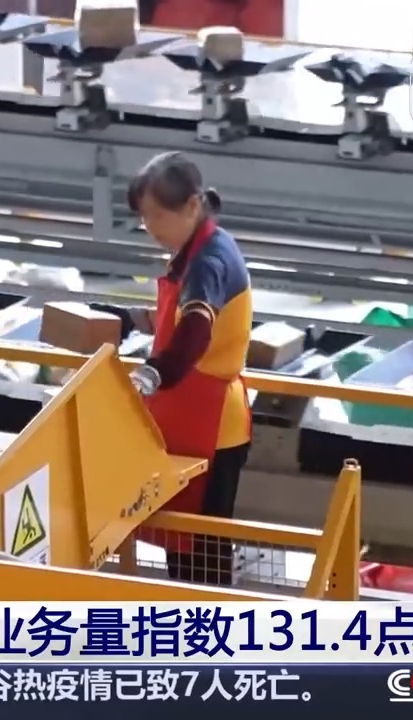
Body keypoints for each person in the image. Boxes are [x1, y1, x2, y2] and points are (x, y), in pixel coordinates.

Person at [93, 151, 252, 586]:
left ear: (192, 206)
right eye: (143, 217)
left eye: (157, 215)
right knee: (183, 548)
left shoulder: (209, 260)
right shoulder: (197, 250)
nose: (150, 227)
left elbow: (196, 329)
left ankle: (207, 625)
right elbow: (181, 315)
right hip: (189, 417)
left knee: (201, 556)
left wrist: (152, 373)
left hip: (211, 426)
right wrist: (138, 319)